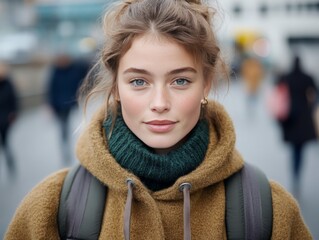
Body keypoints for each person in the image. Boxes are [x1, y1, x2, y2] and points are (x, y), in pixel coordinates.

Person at [5, 0, 311, 239]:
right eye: (139, 82)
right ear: (115, 88)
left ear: (206, 85)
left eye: (180, 81)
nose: (160, 104)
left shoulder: (266, 210)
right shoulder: (52, 209)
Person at [277, 56, 318, 198]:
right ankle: (297, 174)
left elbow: (277, 87)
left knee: (294, 149)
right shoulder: (307, 77)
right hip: (304, 118)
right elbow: (315, 93)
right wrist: (311, 107)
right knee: (300, 149)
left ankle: (294, 174)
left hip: (290, 117)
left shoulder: (287, 76)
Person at [47, 53, 89, 162]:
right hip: (58, 104)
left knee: (68, 124)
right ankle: (65, 143)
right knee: (63, 126)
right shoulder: (55, 72)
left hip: (69, 103)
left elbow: (80, 82)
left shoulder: (74, 70)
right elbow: (51, 88)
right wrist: (50, 104)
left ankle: (71, 143)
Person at [0, 61, 18, 173]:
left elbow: (14, 100)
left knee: (5, 141)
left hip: (5, 117)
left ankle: (9, 160)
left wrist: (13, 113)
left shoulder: (8, 83)